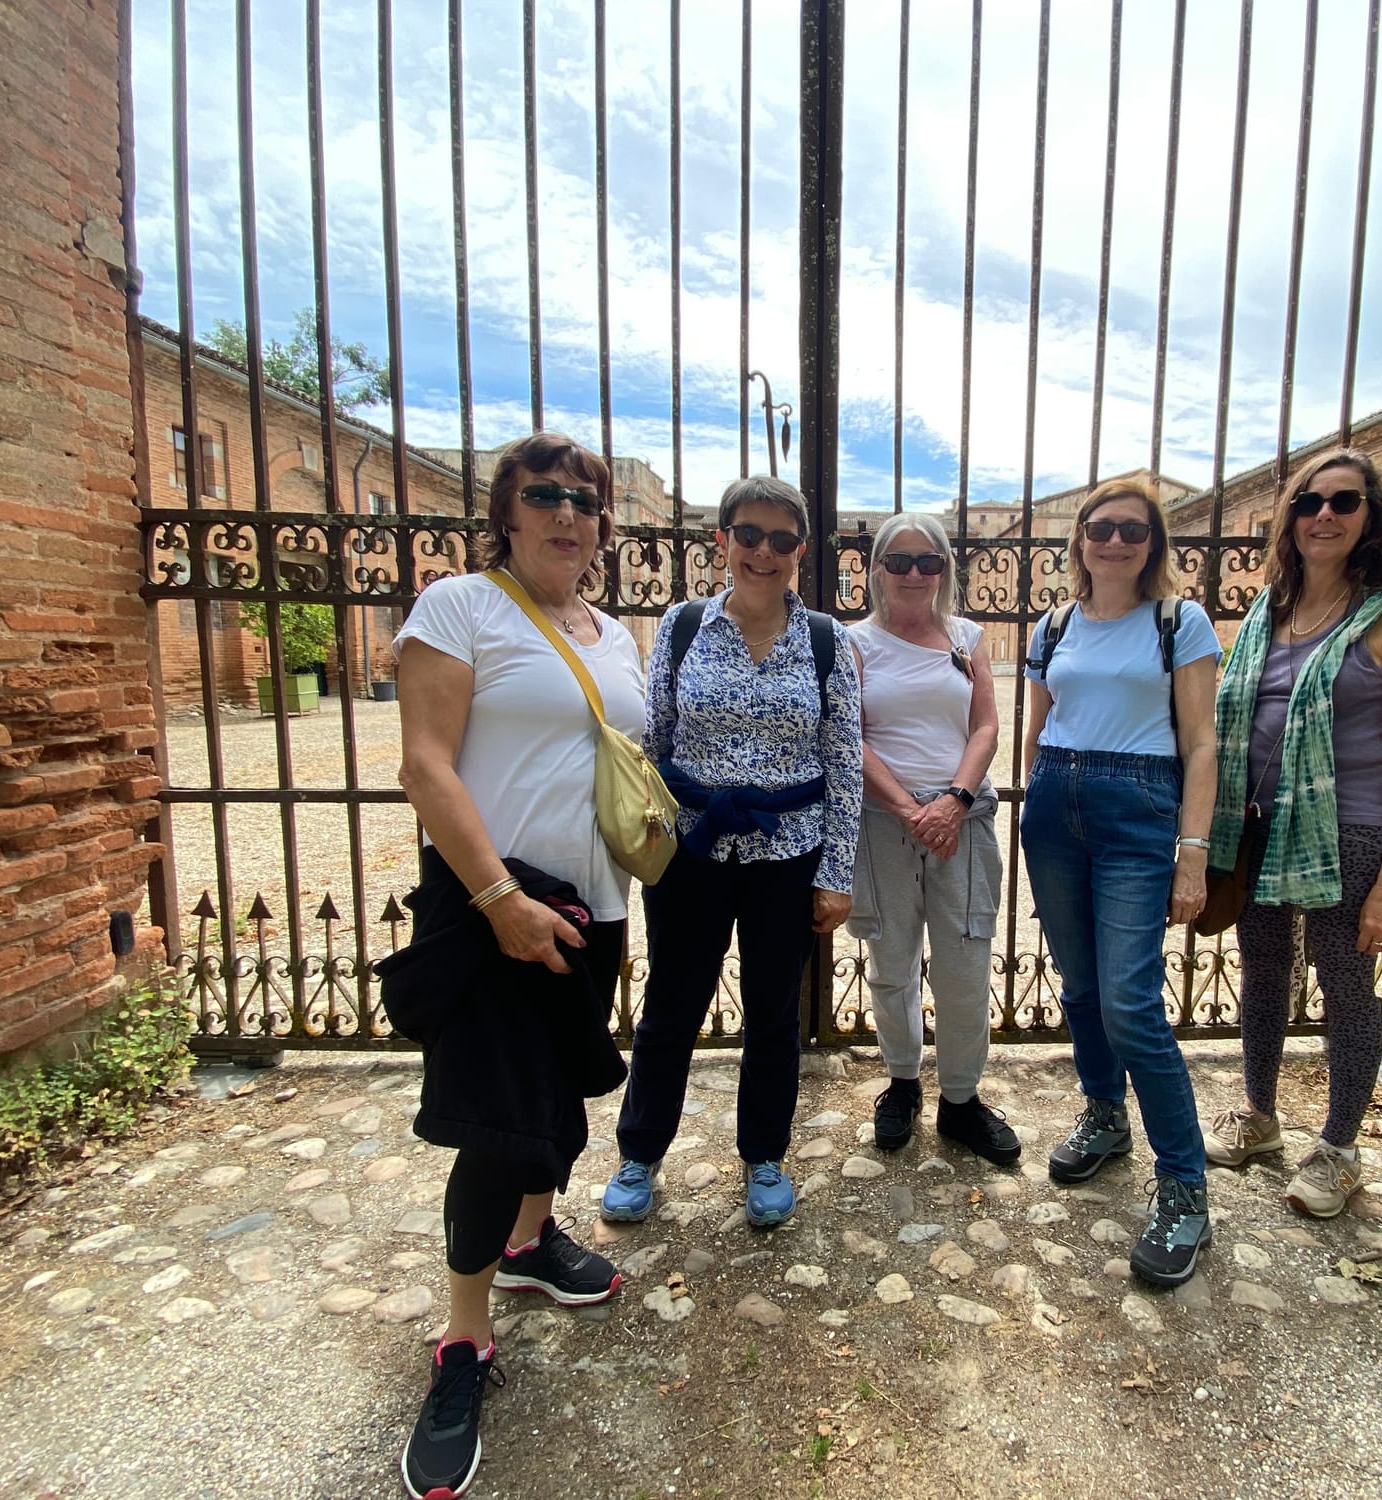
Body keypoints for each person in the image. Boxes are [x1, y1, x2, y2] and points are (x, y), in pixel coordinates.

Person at [384, 433, 645, 1500]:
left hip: (597, 908)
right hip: (499, 903)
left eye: (585, 502)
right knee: (495, 1128)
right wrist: (499, 901)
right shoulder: (459, 607)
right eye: (542, 495)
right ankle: (462, 1339)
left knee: (557, 1103)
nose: (565, 514)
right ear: (505, 509)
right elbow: (424, 762)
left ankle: (533, 1245)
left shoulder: (611, 632)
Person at [600, 475, 862, 1229]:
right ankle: (641, 1151)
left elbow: (845, 757)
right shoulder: (681, 629)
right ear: (723, 540)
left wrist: (836, 872)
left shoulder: (824, 641)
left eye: (782, 540)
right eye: (748, 534)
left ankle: (765, 1154)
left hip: (790, 853)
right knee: (671, 1009)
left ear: (800, 552)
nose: (763, 552)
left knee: (775, 1017)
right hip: (694, 851)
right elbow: (653, 745)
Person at [1204, 447, 1382, 1219]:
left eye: (1344, 502)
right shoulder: (1268, 609)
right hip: (1264, 827)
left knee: (1345, 986)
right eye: (1309, 503)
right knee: (1264, 972)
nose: (1325, 516)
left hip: (1352, 830)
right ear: (1290, 519)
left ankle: (1339, 1149)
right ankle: (1261, 1117)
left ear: (1370, 516)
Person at [1020, 477, 1220, 1288]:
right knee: (1080, 988)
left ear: (1154, 543)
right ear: (1080, 540)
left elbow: (1202, 744)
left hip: (1140, 808)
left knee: (1131, 1002)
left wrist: (1193, 853)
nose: (1114, 541)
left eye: (1132, 530)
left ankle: (1186, 1189)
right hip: (1056, 802)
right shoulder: (1054, 623)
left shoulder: (1181, 622)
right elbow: (1036, 731)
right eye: (1100, 528)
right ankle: (1106, 1116)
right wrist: (1034, 792)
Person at [846, 512, 1016, 1165]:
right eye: (900, 561)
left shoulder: (967, 637)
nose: (915, 574)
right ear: (877, 570)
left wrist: (952, 800)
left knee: (966, 966)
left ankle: (962, 1100)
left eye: (929, 562)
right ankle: (903, 1083)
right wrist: (907, 807)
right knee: (891, 965)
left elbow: (984, 727)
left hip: (962, 822)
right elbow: (850, 733)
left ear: (945, 570)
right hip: (883, 822)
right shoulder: (853, 641)